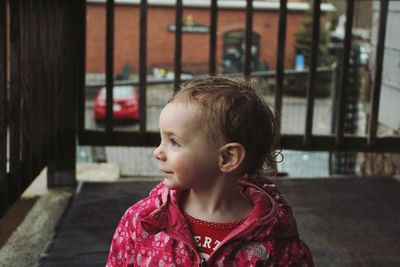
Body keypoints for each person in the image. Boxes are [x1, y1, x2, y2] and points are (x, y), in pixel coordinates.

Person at [106, 75, 314, 266]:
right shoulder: (144, 221)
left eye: (174, 142)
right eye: (162, 139)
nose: (158, 152)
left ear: (227, 158)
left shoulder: (277, 245)